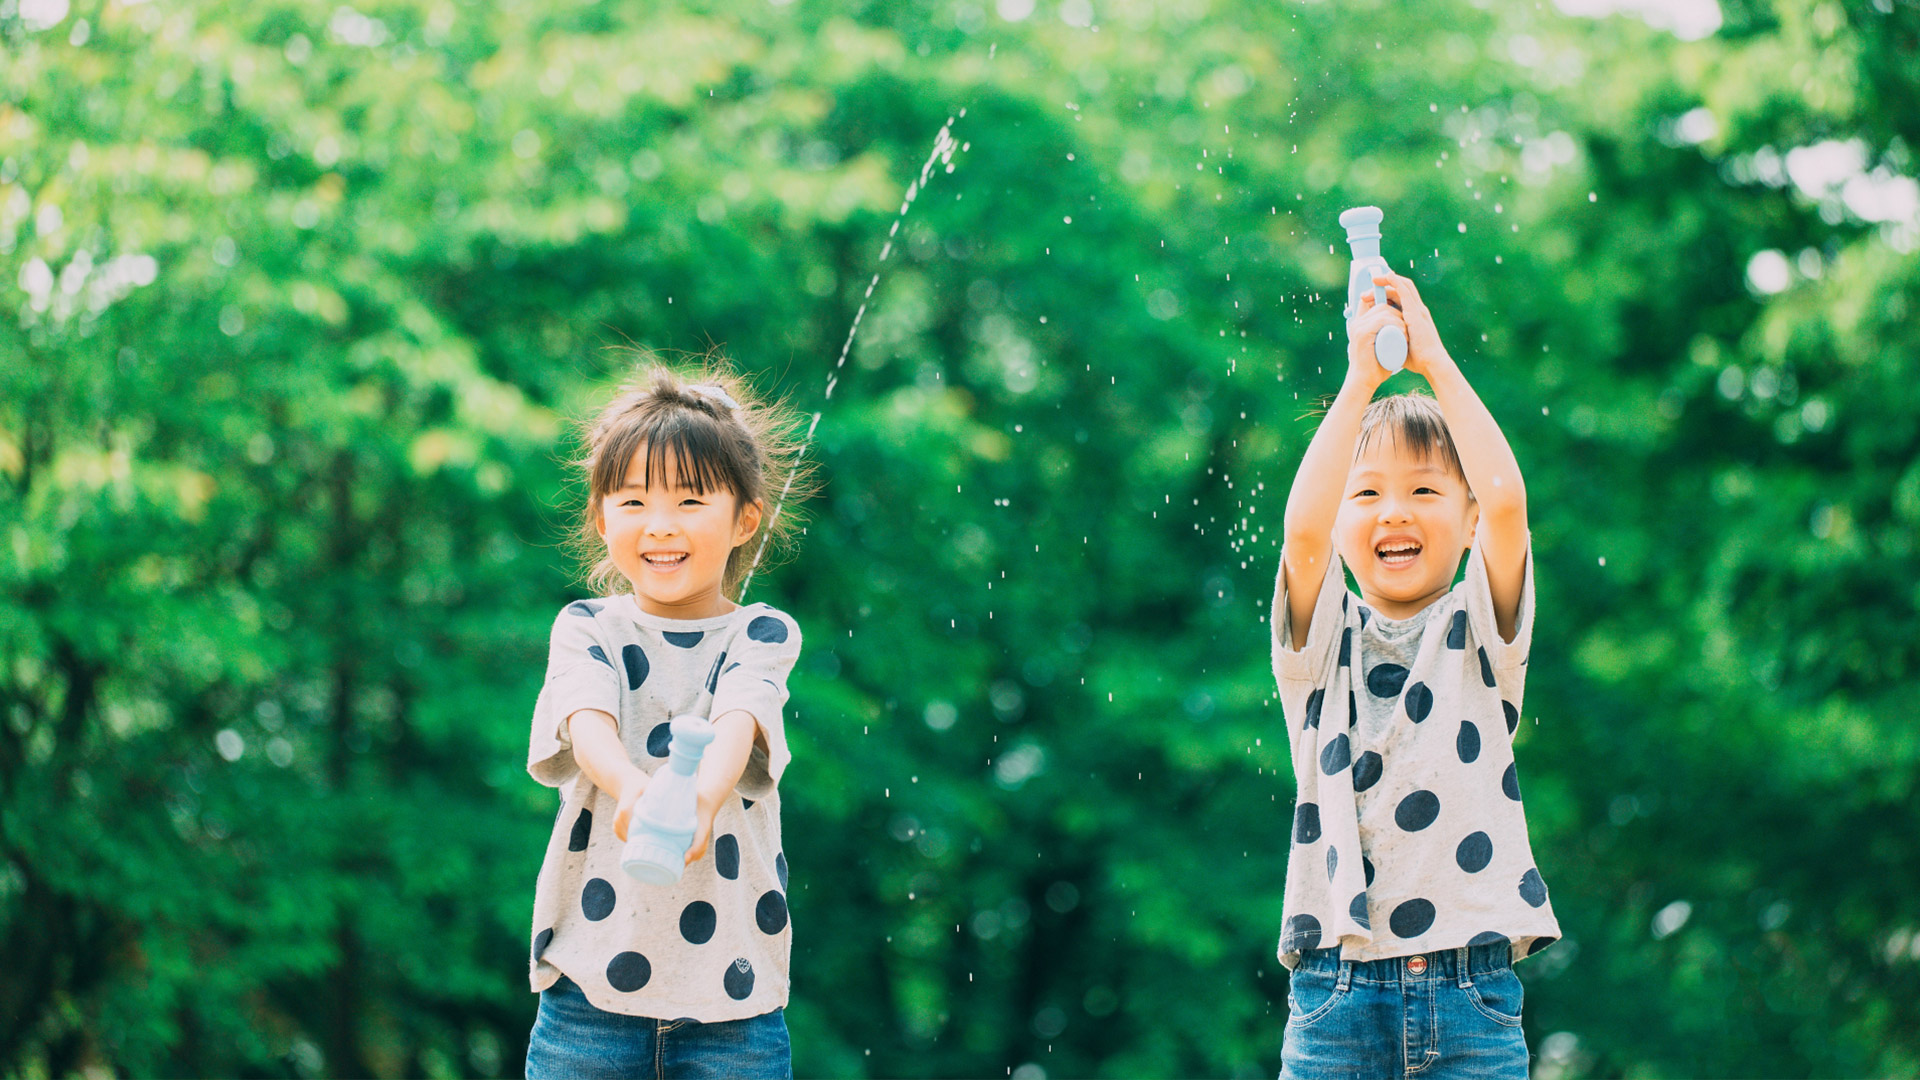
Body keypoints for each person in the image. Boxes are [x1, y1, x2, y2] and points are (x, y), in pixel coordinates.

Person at [1271, 271, 1559, 1078]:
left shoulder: (1482, 634)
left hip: (1472, 992)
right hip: (1334, 994)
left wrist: (1430, 359)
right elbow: (1301, 537)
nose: (1394, 511)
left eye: (1425, 490)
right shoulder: (1320, 647)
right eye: (1365, 494)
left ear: (1465, 523)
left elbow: (1508, 502)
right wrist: (1360, 380)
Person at [523, 360, 813, 1079]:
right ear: (599, 517)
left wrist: (700, 800)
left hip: (733, 997)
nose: (660, 527)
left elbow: (740, 721)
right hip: (588, 986)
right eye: (632, 502)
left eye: (689, 501)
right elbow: (586, 719)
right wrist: (632, 788)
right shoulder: (584, 626)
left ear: (745, 518)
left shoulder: (763, 633)